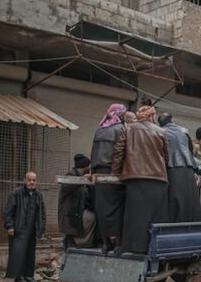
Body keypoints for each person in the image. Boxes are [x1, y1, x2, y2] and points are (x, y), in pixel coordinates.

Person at [112, 105, 169, 254]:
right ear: (152, 116)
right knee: (155, 215)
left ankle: (133, 247)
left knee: (135, 214)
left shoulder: (128, 128)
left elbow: (118, 152)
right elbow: (166, 156)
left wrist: (116, 172)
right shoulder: (161, 131)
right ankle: (153, 247)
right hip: (158, 178)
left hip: (134, 177)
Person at [91, 103, 127, 254]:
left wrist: (93, 171)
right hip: (113, 172)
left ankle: (106, 242)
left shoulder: (100, 130)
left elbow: (93, 153)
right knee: (118, 207)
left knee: (102, 208)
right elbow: (121, 152)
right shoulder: (120, 129)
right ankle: (118, 242)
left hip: (98, 173)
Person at [3, 171, 46, 282]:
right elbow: (8, 212)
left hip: (32, 230)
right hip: (19, 229)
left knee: (30, 253)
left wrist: (41, 229)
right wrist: (10, 226)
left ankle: (29, 275)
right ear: (24, 180)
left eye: (34, 180)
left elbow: (42, 214)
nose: (32, 182)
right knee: (18, 253)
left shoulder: (38, 195)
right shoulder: (16, 193)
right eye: (29, 180)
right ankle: (19, 276)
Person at [159, 112, 201, 223]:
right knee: (191, 200)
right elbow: (190, 150)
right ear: (172, 120)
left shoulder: (160, 132)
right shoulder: (184, 130)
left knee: (174, 200)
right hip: (188, 167)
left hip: (171, 168)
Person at [58, 154, 95, 250]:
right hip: (70, 213)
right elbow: (68, 187)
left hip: (75, 212)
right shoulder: (71, 175)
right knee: (69, 239)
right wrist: (82, 179)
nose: (89, 168)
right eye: (88, 166)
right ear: (84, 167)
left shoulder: (81, 176)